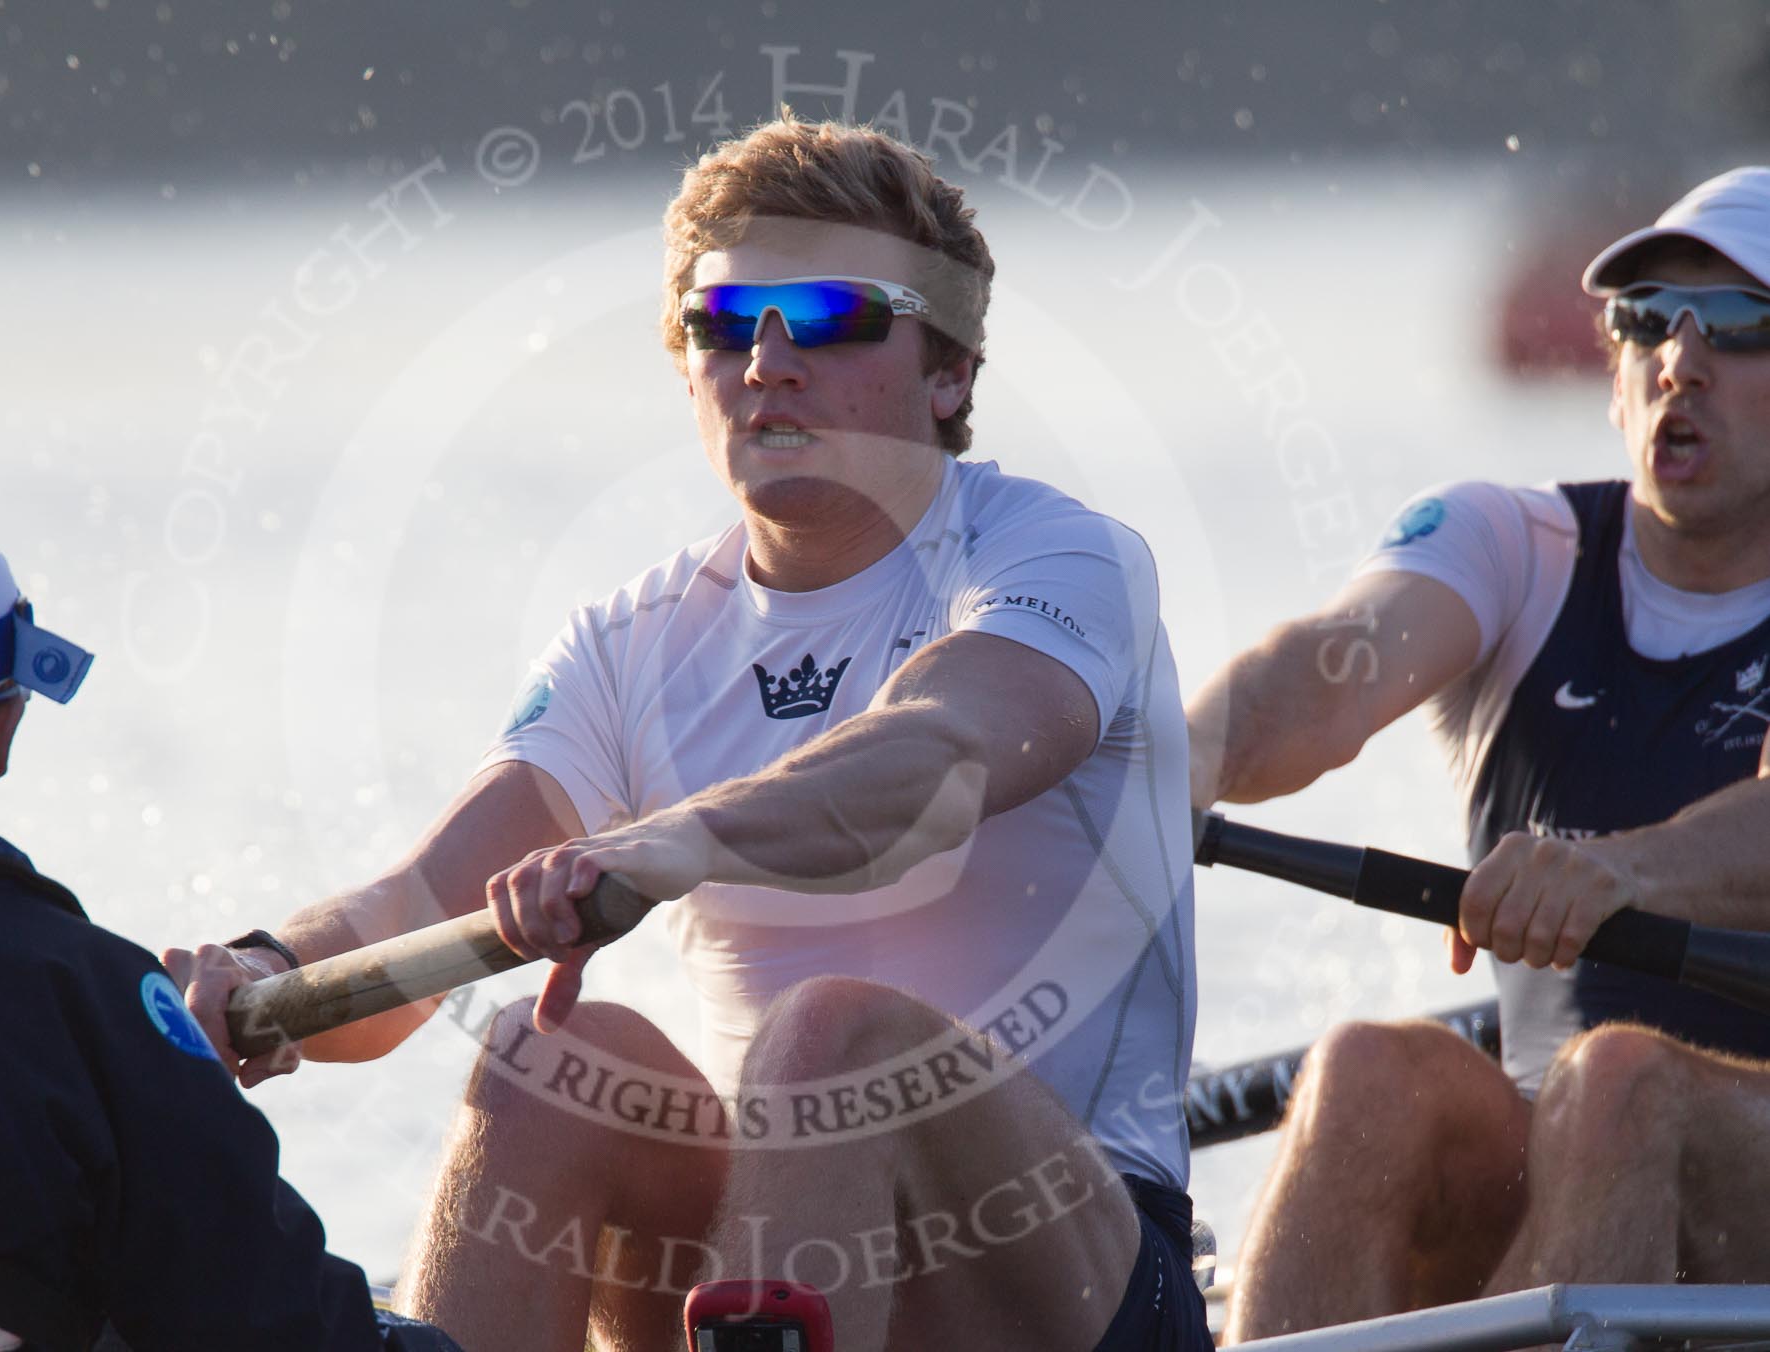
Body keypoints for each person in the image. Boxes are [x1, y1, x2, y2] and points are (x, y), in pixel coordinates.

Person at [176, 116, 1210, 1351]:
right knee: (544, 1053)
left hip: (1076, 1266)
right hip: (781, 1255)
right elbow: (408, 911)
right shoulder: (631, 642)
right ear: (690, 367)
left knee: (835, 1032)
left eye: (827, 314)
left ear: (948, 374)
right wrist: (246, 973)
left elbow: (938, 759)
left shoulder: (1059, 558)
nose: (769, 361)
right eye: (727, 321)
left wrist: (677, 839)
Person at [1188, 167, 1770, 1341]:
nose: (1680, 359)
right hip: (1565, 1136)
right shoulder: (1513, 542)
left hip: (1710, 1128)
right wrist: (1167, 760)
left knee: (1617, 1082)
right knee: (1366, 1071)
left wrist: (1621, 871)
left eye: (1745, 325)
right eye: (1647, 316)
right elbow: (1316, 680)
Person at [0, 498, 461, 1350]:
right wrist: (159, 1099)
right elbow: (288, 1327)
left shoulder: (91, 1007)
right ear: (0, 728)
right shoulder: (86, 1003)